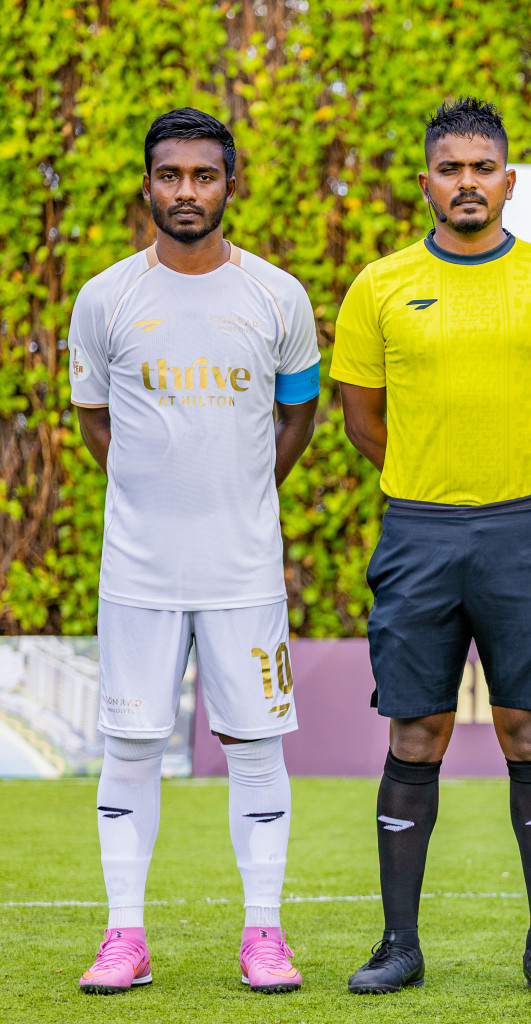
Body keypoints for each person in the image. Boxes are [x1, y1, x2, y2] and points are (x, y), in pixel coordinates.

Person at [333, 98, 531, 996]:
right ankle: (398, 945)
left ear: (509, 180)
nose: (467, 183)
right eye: (450, 169)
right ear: (426, 183)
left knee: (529, 728)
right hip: (417, 530)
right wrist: (433, 480)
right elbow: (363, 421)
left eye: (483, 168)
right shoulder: (380, 286)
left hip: (526, 529)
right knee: (418, 728)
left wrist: (517, 479)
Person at [69, 107, 320, 995]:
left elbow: (298, 416)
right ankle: (124, 937)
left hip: (242, 569)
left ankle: (265, 935)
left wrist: (243, 491)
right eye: (170, 175)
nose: (186, 191)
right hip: (137, 571)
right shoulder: (105, 298)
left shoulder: (278, 296)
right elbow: (96, 423)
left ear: (230, 185)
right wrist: (153, 495)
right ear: (148, 185)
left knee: (255, 746)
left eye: (203, 176)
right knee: (132, 747)